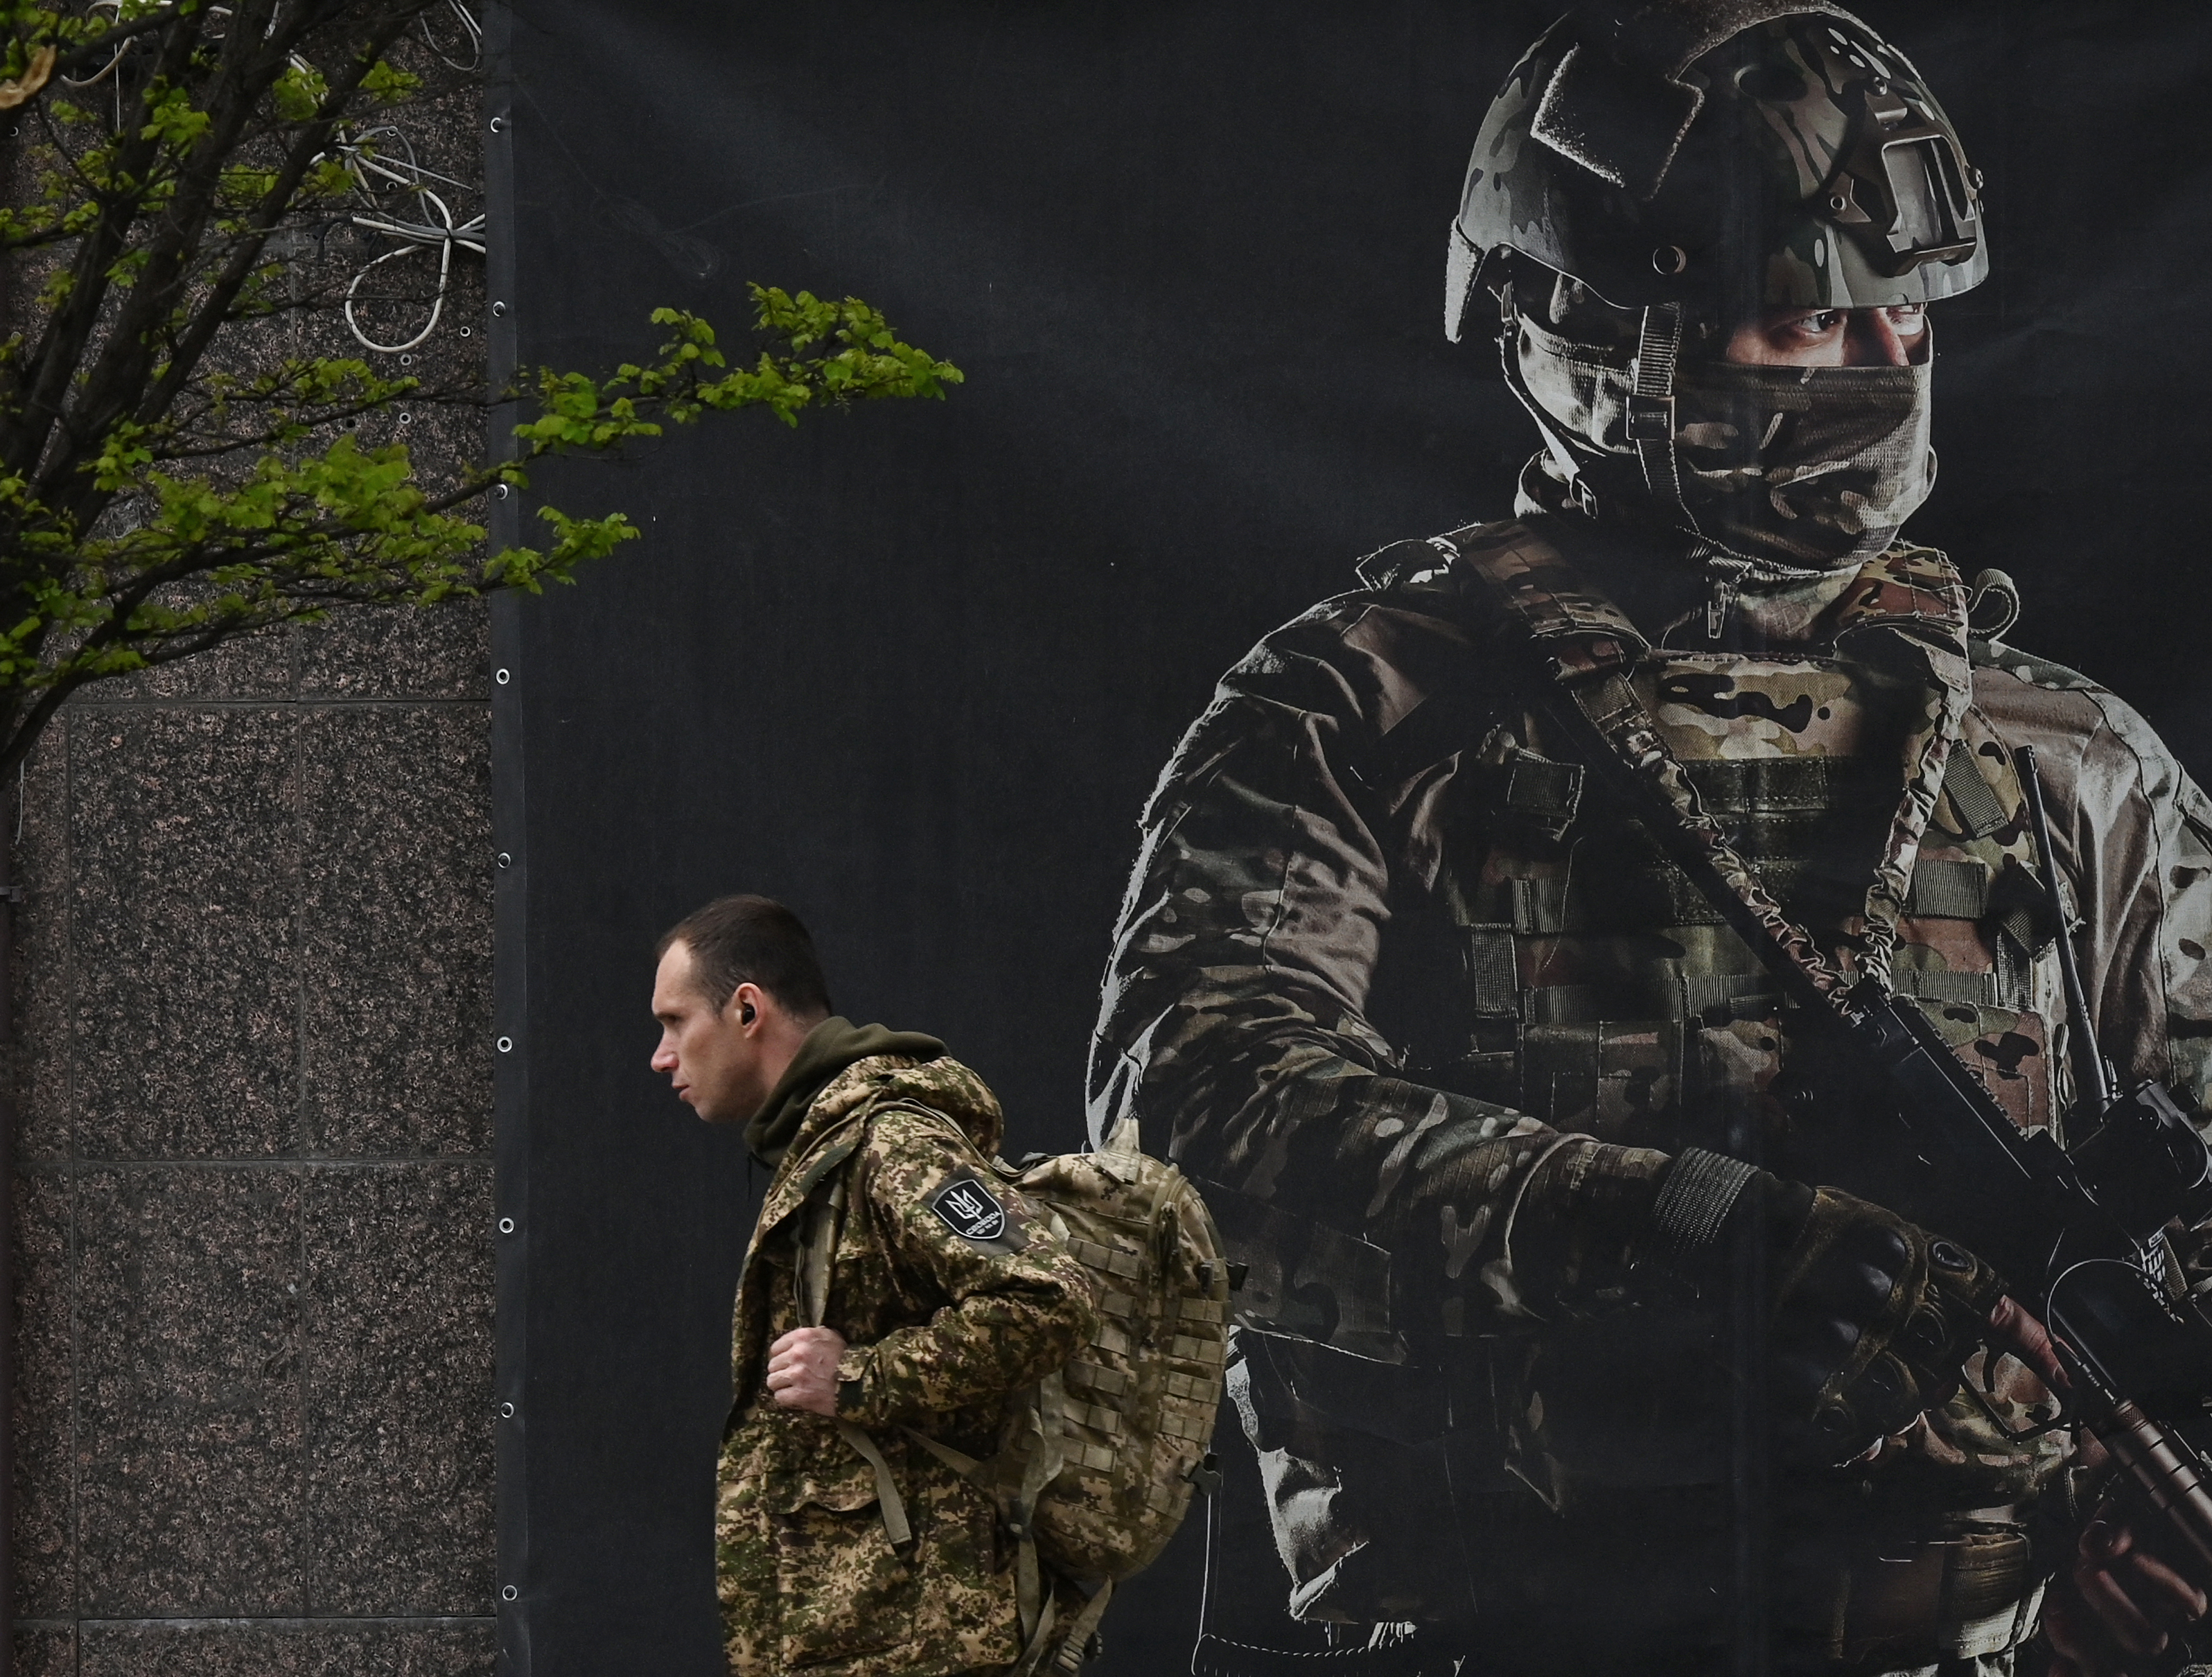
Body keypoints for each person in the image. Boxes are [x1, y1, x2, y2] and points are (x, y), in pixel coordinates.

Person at [1085, 6, 2212, 1675]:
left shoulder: (2066, 757)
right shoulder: (1370, 703)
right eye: (1804, 319)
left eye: (1907, 310)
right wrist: (1682, 1226)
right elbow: (1182, 1134)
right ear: (1595, 332)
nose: (1889, 365)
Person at [651, 893, 1098, 1676]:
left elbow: (1047, 1298)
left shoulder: (892, 1138)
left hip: (925, 1641)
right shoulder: (821, 1144)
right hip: (868, 1639)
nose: (662, 1055)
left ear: (747, 1009)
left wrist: (858, 1376)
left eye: (674, 1021)